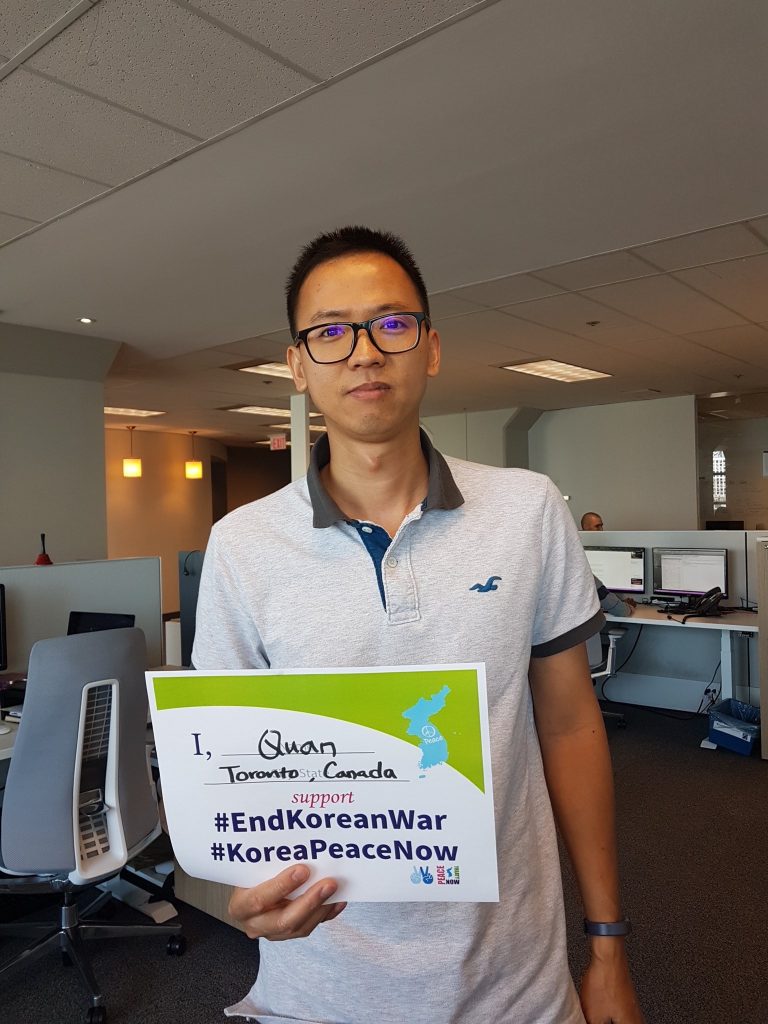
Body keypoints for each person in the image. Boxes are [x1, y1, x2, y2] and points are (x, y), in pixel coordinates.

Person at [192, 227, 644, 1024]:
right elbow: (232, 772)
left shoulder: (527, 510)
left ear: (430, 347)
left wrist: (607, 944)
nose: (365, 352)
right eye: (330, 332)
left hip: (516, 986)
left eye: (391, 324)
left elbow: (571, 725)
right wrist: (244, 893)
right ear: (297, 365)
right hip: (318, 992)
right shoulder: (241, 546)